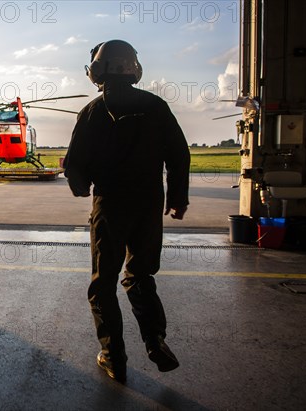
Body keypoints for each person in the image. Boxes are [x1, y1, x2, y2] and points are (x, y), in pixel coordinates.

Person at [64, 40, 190, 384]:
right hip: (148, 205)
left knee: (103, 284)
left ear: (97, 71)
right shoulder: (156, 106)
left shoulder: (91, 111)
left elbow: (74, 164)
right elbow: (179, 155)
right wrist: (177, 197)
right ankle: (155, 339)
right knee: (139, 276)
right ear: (133, 68)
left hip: (110, 205)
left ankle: (113, 357)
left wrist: (81, 184)